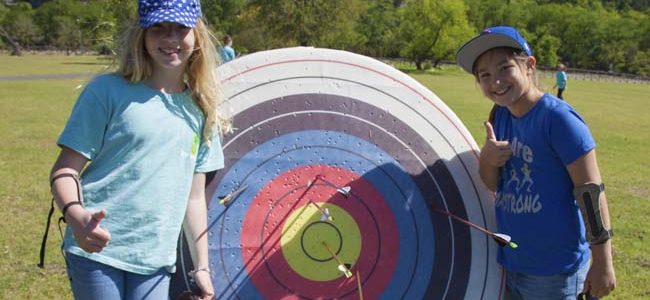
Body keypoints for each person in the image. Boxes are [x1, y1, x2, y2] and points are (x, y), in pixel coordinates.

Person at [49, 0, 228, 298]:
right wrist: (76, 216)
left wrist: (202, 268)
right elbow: (64, 171)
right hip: (97, 255)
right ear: (141, 35)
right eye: (158, 28)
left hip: (156, 261)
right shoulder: (106, 91)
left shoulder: (201, 111)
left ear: (196, 35)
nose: (170, 38)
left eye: (181, 28)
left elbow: (193, 198)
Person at [456, 26, 616, 299]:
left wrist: (603, 261)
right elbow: (491, 182)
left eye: (504, 68)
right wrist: (489, 159)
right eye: (484, 75)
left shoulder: (559, 120)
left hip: (555, 271)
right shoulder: (499, 116)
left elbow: (590, 190)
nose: (495, 81)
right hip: (512, 263)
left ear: (529, 65)